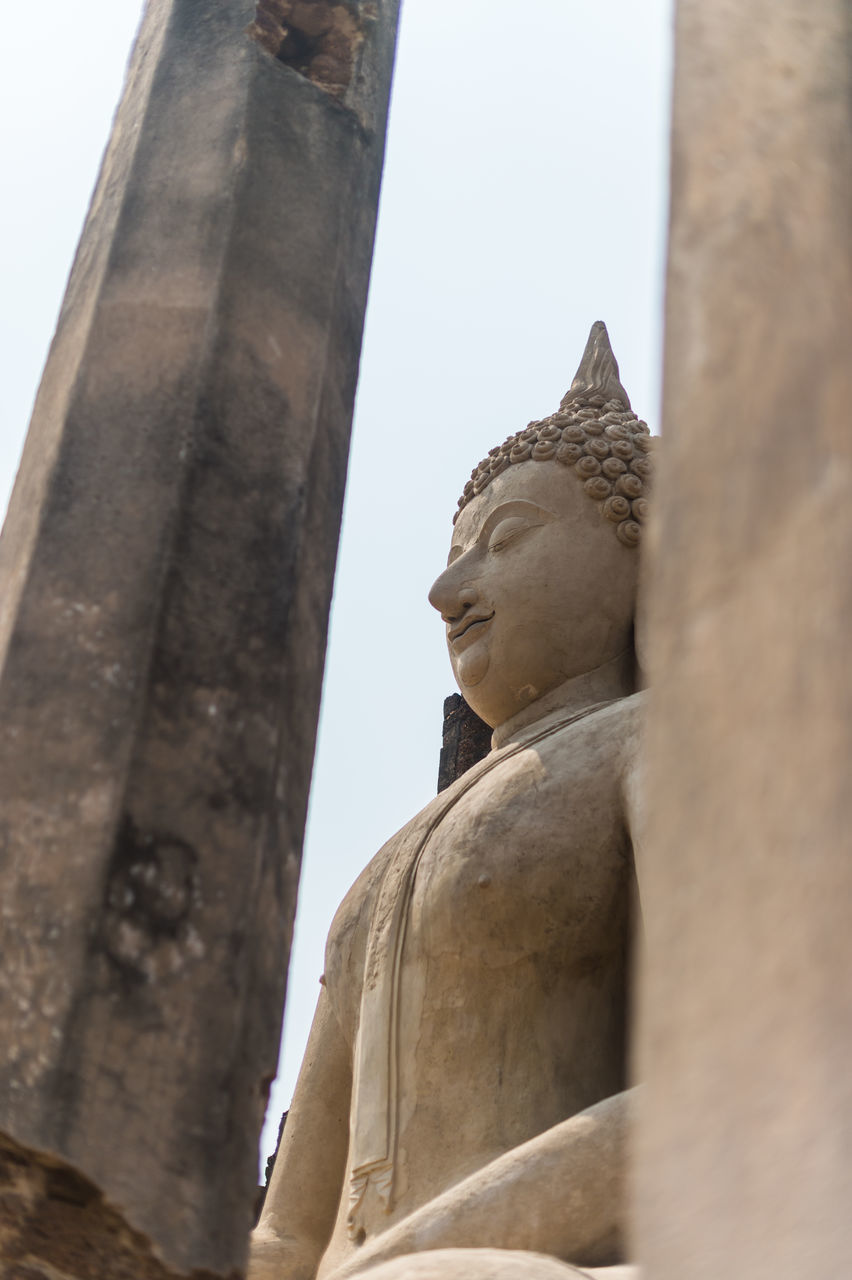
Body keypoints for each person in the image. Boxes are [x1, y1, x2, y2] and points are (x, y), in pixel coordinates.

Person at [249, 323, 652, 1280]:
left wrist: (407, 1254)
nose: (447, 590)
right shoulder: (378, 875)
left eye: (503, 542)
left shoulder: (661, 741)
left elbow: (726, 1081)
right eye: (453, 552)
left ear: (640, 557)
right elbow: (290, 1230)